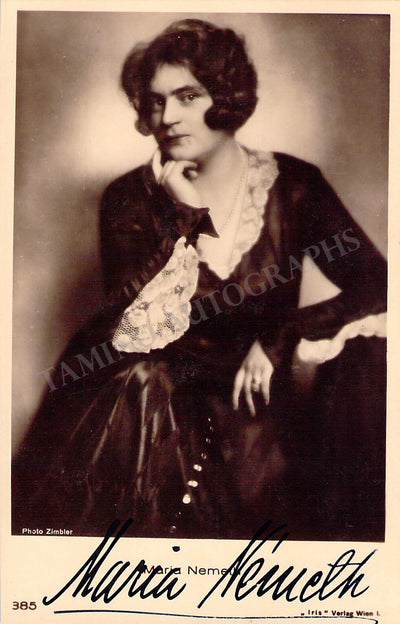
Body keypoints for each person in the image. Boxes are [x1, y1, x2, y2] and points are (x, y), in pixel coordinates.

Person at [12, 18, 387, 540]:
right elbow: (131, 331)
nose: (167, 117)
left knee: (368, 360)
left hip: (258, 412)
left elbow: (377, 282)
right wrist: (183, 218)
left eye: (187, 96)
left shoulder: (295, 185)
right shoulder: (128, 198)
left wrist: (280, 336)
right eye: (156, 102)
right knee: (146, 382)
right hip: (158, 415)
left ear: (226, 98)